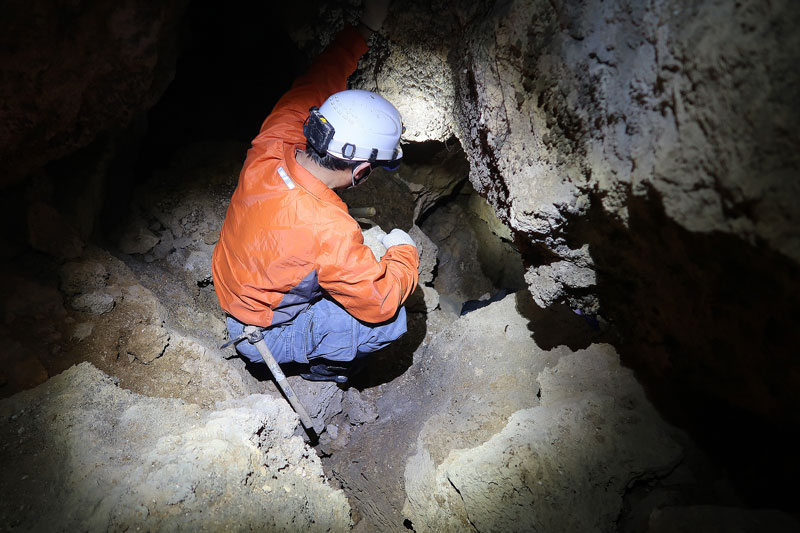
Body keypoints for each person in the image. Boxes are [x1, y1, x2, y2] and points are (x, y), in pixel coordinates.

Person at [211, 0, 419, 384]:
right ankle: (327, 375)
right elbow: (382, 302)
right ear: (362, 170)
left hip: (233, 281)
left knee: (337, 270)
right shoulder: (330, 229)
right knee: (391, 322)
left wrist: (363, 32)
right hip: (259, 332)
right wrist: (403, 251)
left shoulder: (272, 144)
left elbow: (314, 84)